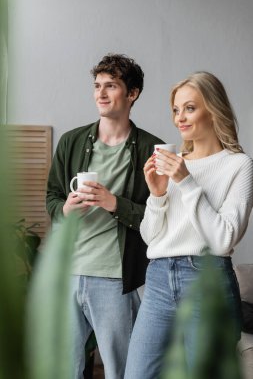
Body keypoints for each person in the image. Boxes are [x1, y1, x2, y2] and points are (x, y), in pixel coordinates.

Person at [124, 71, 253, 379]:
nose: (180, 117)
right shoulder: (172, 161)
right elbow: (150, 236)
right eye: (176, 109)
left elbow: (222, 240)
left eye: (190, 108)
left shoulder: (239, 166)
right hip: (157, 280)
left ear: (213, 108)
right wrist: (156, 196)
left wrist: (185, 182)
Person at [46, 53, 164, 379]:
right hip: (67, 273)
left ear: (132, 93)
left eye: (110, 86)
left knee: (121, 369)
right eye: (97, 85)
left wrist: (115, 203)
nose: (100, 93)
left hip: (113, 278)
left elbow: (159, 220)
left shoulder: (152, 150)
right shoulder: (71, 141)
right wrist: (66, 209)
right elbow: (52, 198)